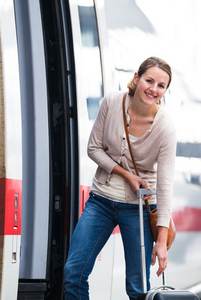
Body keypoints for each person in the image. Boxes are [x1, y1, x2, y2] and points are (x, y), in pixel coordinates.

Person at [63, 57, 177, 300]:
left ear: (165, 91)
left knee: (137, 287)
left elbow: (165, 186)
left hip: (138, 209)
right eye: (149, 80)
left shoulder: (165, 127)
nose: (153, 89)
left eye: (161, 85)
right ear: (136, 78)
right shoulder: (112, 102)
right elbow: (93, 148)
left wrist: (162, 239)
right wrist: (125, 174)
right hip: (100, 201)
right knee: (74, 272)